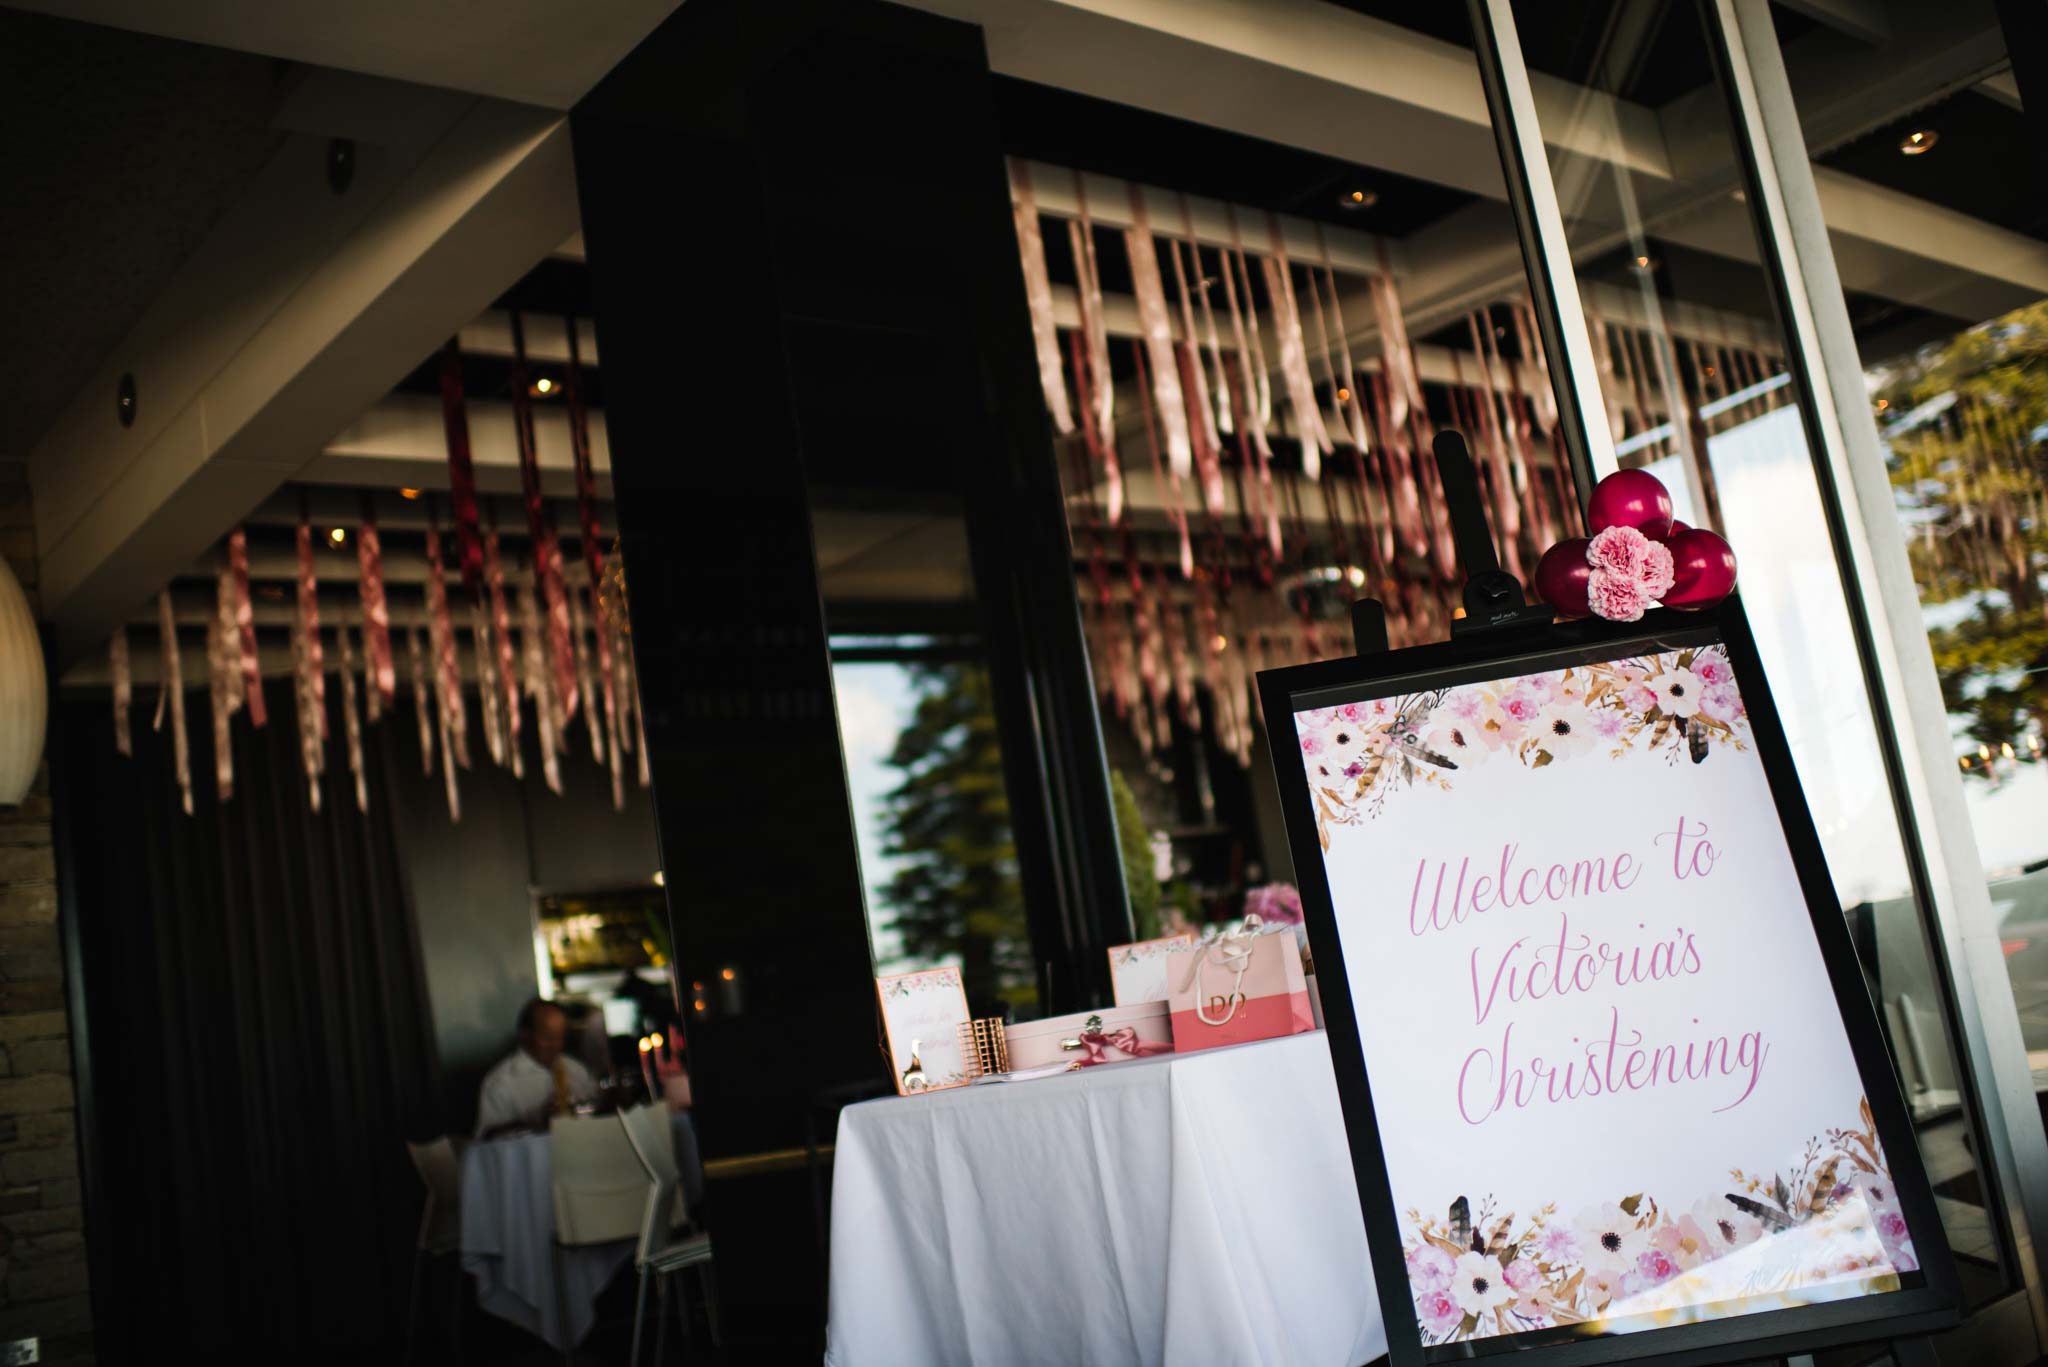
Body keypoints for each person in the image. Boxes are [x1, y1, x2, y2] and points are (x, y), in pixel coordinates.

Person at [476, 997, 598, 1138]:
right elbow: (487, 1138)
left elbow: (595, 1104)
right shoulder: (501, 1082)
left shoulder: (576, 1069)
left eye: (560, 1037)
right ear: (525, 1035)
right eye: (547, 1038)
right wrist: (536, 1121)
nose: (555, 1045)